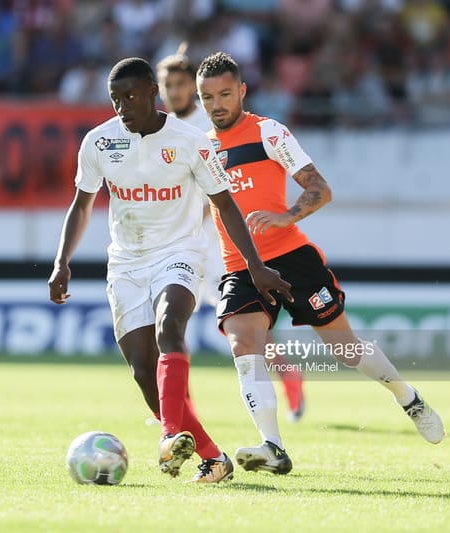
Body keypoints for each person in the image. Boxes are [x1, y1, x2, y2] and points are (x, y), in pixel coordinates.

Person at [195, 51, 445, 475]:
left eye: (223, 94)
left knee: (346, 350)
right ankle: (272, 445)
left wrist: (285, 216)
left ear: (241, 91)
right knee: (243, 344)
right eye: (206, 97)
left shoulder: (268, 133)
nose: (216, 104)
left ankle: (407, 396)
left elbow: (320, 188)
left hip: (292, 259)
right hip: (240, 267)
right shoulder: (200, 148)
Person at [48, 57, 292, 484]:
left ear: (151, 94)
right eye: (115, 99)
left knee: (169, 326)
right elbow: (82, 204)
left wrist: (255, 265)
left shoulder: (192, 141)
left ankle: (168, 435)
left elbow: (226, 205)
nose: (122, 107)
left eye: (131, 97)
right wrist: (61, 261)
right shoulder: (99, 142)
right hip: (125, 262)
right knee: (144, 371)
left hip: (179, 253)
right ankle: (213, 458)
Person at [157, 47, 308, 422]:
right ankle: (177, 411)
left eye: (180, 85)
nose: (174, 93)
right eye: (167, 86)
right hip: (182, 241)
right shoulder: (160, 129)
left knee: (239, 326)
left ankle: (289, 377)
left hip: (217, 241)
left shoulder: (204, 125)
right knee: (170, 324)